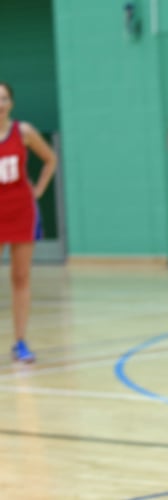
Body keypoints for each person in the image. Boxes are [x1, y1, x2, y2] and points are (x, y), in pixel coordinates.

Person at [0, 82, 57, 363]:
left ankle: (20, 342)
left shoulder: (23, 132)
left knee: (20, 277)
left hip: (21, 210)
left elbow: (50, 159)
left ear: (11, 103)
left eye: (3, 99)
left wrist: (39, 190)